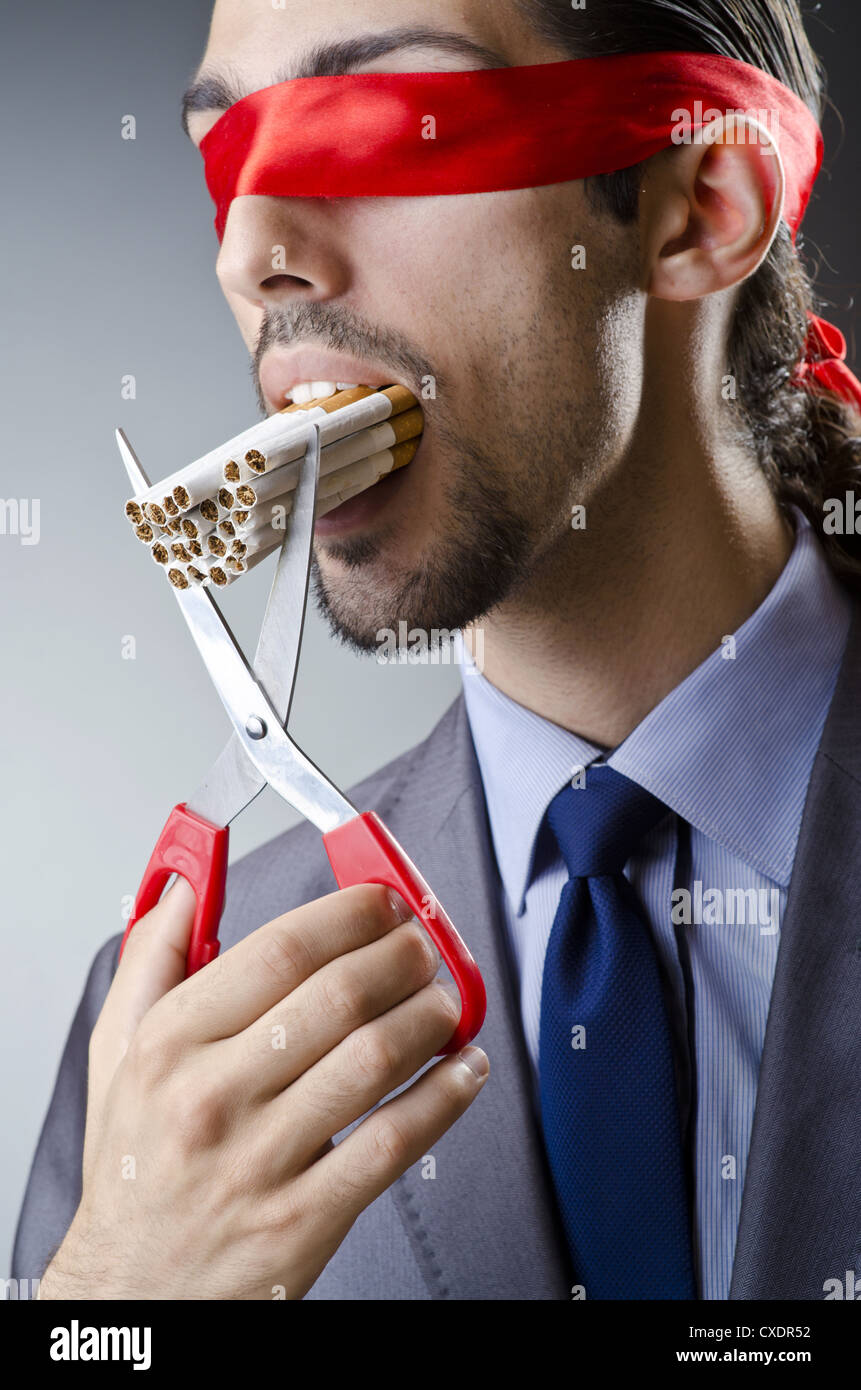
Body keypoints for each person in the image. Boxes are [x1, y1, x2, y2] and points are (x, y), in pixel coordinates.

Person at [14, 0, 861, 1300]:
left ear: (700, 207)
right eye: (225, 155)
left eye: (387, 122)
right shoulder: (181, 1021)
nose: (255, 251)